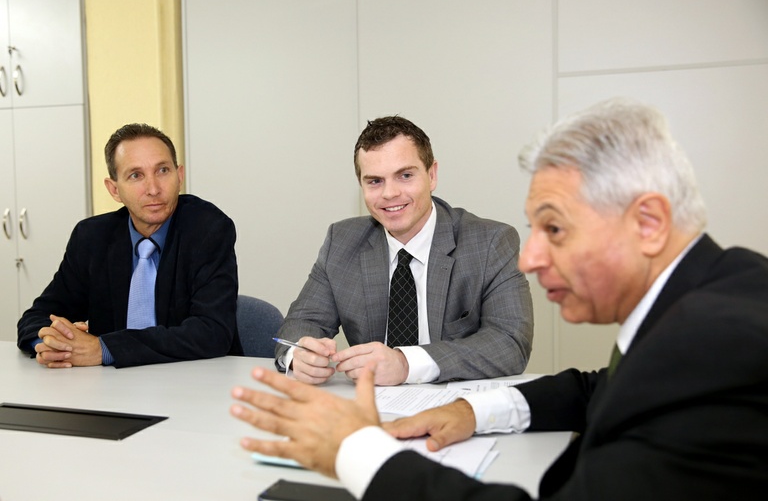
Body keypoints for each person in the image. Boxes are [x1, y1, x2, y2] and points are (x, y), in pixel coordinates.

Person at [230, 98, 768, 500]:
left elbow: (512, 345)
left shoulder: (717, 345)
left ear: (648, 223)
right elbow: (598, 389)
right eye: (374, 181)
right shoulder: (720, 291)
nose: (532, 257)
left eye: (554, 229)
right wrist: (471, 410)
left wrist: (357, 452)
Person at [276, 116, 533, 386]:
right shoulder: (341, 241)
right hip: (371, 406)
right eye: (375, 181)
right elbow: (302, 321)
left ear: (432, 175)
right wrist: (298, 355)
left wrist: (406, 364)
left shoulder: (490, 242)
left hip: (455, 406)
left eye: (405, 175)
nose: (390, 193)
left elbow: (510, 343)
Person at [17, 123, 241, 368]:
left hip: (198, 385)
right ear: (114, 189)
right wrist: (53, 343)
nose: (154, 189)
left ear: (180, 176)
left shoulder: (209, 230)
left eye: (163, 170)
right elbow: (37, 317)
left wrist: (103, 349)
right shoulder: (91, 238)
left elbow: (212, 332)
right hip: (110, 389)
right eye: (136, 175)